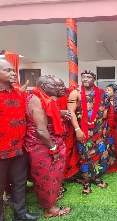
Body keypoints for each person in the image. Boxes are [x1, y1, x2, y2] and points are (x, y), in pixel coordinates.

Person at [24, 75, 71, 218]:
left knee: (49, 176)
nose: (59, 88)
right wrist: (53, 149)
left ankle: (47, 201)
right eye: (55, 86)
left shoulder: (43, 97)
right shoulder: (37, 100)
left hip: (45, 142)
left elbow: (47, 113)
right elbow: (41, 130)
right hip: (42, 145)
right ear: (44, 87)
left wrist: (60, 112)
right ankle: (50, 210)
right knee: (48, 177)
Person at [0, 58, 41, 221]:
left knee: (20, 183)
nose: (12, 73)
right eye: (7, 70)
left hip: (18, 148)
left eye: (12, 70)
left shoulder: (18, 93)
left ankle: (21, 214)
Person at [67, 70, 116, 194]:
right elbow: (71, 112)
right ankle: (86, 182)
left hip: (100, 130)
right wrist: (77, 129)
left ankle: (95, 177)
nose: (85, 79)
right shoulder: (75, 93)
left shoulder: (102, 93)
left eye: (88, 77)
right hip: (83, 130)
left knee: (99, 154)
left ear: (94, 79)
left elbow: (106, 110)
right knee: (85, 156)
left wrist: (102, 124)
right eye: (83, 77)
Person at [105, 83, 117, 173]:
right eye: (106, 90)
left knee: (116, 147)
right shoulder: (104, 101)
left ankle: (114, 165)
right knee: (107, 147)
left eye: (109, 90)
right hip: (106, 128)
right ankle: (106, 166)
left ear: (114, 92)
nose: (106, 91)